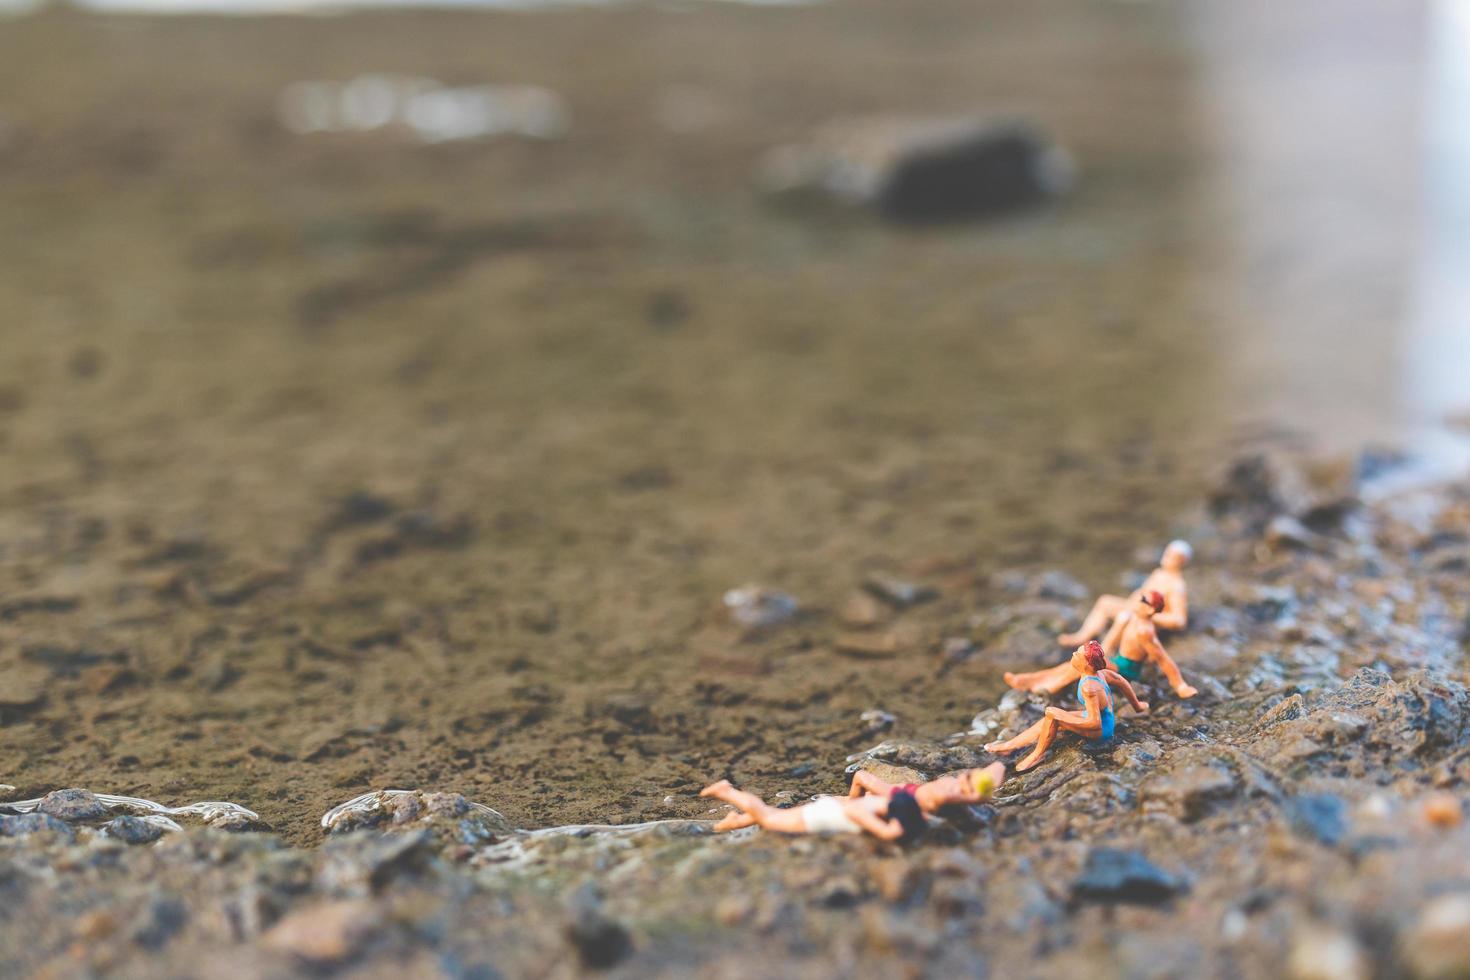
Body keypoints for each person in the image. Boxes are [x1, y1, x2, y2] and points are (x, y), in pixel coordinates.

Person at [700, 761, 1006, 842]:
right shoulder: (940, 794)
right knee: (773, 816)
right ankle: (729, 793)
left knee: (787, 814)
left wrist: (979, 787)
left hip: (883, 801)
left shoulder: (943, 793)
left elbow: (995, 770)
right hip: (884, 800)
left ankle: (736, 819)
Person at [986, 641, 1147, 772]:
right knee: (1047, 721)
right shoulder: (1100, 673)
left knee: (1052, 715)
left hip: (1101, 731)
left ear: (1087, 663)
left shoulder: (1089, 687)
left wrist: (1060, 719)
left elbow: (1094, 723)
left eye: (1077, 654)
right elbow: (1121, 681)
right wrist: (1137, 705)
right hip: (1103, 719)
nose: (1073, 655)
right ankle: (1009, 746)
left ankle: (1037, 755)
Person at [1005, 591, 1197, 698]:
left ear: (1150, 609)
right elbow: (1112, 640)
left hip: (1127, 670)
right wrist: (1107, 641)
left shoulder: (1145, 631)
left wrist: (1180, 685)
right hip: (1118, 659)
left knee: (1081, 667)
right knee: (1074, 663)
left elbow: (1163, 659)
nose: (1137, 600)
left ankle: (1045, 687)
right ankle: (1032, 679)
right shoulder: (1132, 619)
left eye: (1143, 600)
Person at [1057, 540, 1191, 650]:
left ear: (1182, 562)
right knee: (1105, 601)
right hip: (1135, 608)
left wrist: (1149, 615)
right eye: (1168, 553)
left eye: (1174, 557)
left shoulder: (1176, 586)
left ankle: (1105, 651)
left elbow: (1179, 621)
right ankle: (1083, 636)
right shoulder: (1159, 573)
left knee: (1124, 617)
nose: (1167, 557)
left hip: (1147, 620)